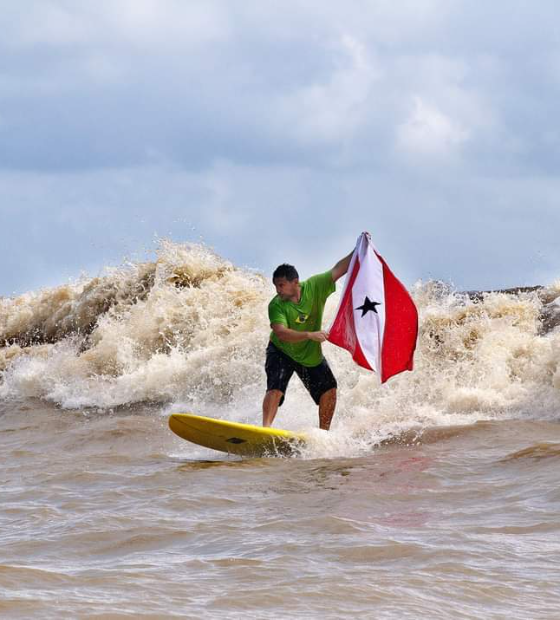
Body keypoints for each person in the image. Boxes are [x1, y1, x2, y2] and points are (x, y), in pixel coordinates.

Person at [262, 251, 353, 430]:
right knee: (276, 388)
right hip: (281, 351)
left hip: (309, 355)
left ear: (295, 282)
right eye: (276, 286)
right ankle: (264, 429)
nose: (277, 290)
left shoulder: (315, 286)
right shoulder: (276, 305)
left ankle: (323, 434)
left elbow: (339, 269)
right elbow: (281, 333)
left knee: (330, 390)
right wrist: (309, 335)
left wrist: (359, 248)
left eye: (281, 285)